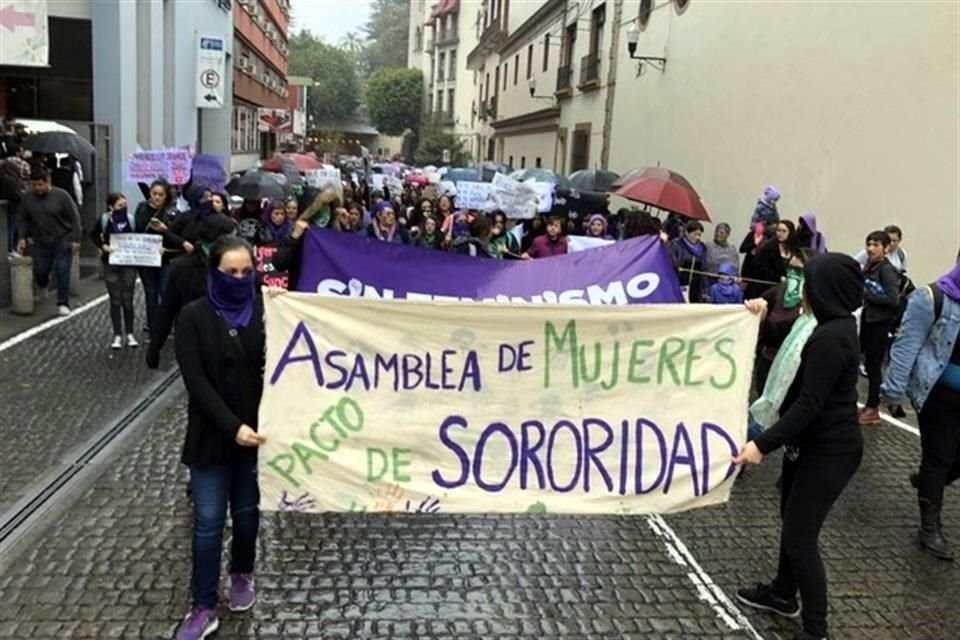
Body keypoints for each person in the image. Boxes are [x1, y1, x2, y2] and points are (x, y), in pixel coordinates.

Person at [734, 253, 865, 640]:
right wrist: (757, 315)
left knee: (800, 537)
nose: (802, 289)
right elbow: (781, 335)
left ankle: (816, 629)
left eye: (808, 282)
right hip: (806, 447)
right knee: (793, 523)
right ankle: (782, 593)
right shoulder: (822, 324)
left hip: (830, 452)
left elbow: (809, 405)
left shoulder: (830, 337)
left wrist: (761, 444)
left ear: (824, 289)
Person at [173, 236, 266, 640]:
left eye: (247, 272)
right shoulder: (192, 317)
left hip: (256, 437)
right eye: (231, 272)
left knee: (247, 516)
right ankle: (203, 605)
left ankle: (242, 573)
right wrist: (233, 427)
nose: (239, 279)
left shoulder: (265, 311)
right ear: (215, 272)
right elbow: (196, 383)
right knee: (209, 523)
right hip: (212, 438)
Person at [882, 257, 960, 561]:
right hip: (938, 395)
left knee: (947, 462)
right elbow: (907, 345)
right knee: (938, 457)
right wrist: (894, 391)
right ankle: (930, 527)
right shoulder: (932, 298)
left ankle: (931, 481)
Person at [147, 214, 238, 370]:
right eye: (232, 238)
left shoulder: (238, 265)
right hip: (194, 340)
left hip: (228, 341)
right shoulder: (183, 268)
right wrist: (155, 347)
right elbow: (167, 309)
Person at [16, 168, 82, 316]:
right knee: (40, 270)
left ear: (48, 182)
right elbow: (23, 219)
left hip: (62, 238)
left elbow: (74, 218)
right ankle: (43, 283)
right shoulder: (27, 198)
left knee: (62, 270)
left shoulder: (62, 196)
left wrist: (76, 239)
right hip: (40, 240)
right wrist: (22, 237)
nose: (37, 188)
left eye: (40, 185)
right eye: (34, 185)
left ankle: (63, 303)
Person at [859, 230, 900, 425]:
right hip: (868, 319)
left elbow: (893, 300)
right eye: (869, 244)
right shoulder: (870, 266)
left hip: (879, 323)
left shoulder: (886, 269)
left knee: (874, 366)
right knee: (861, 362)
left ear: (885, 248)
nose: (870, 248)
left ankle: (872, 407)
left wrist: (868, 296)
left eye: (875, 245)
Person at [134, 179, 184, 336]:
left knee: (165, 292)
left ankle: (170, 324)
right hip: (146, 258)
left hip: (166, 258)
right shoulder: (141, 208)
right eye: (154, 194)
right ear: (149, 193)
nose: (156, 197)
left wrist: (165, 229)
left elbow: (179, 236)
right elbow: (137, 230)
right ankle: (153, 327)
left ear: (166, 196)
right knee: (150, 293)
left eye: (160, 195)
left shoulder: (172, 212)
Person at [90, 193, 139, 349]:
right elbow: (93, 235)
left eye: (125, 205)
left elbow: (139, 237)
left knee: (128, 299)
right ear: (111, 207)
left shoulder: (130, 219)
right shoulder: (105, 220)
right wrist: (103, 246)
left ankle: (130, 333)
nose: (123, 208)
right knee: (115, 300)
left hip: (128, 263)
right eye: (119, 205)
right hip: (110, 263)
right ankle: (117, 334)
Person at [753, 220, 799, 287]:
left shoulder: (796, 248)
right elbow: (763, 268)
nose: (780, 233)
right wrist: (779, 278)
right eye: (778, 230)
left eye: (784, 231)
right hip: (770, 285)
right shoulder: (768, 247)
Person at [671, 220, 708, 303]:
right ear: (687, 232)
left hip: (695, 286)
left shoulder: (702, 248)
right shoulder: (677, 244)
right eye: (695, 234)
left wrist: (705, 289)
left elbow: (704, 269)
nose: (697, 237)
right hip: (680, 283)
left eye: (699, 235)